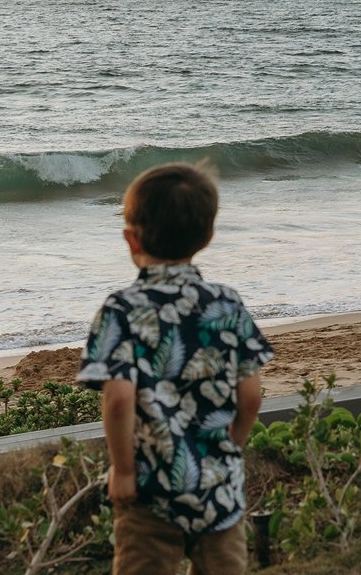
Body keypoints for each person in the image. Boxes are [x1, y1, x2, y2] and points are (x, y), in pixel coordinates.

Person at [78, 163, 275, 575]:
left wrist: (124, 470)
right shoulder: (227, 303)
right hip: (218, 490)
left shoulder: (122, 310)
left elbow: (117, 402)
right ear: (208, 235)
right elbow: (252, 398)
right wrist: (229, 449)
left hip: (149, 493)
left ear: (130, 238)